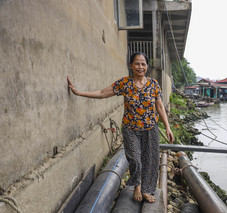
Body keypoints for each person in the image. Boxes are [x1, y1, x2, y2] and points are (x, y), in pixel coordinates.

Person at [67, 52, 174, 203]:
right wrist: (79, 93)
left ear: (147, 66)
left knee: (151, 161)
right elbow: (102, 93)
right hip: (131, 129)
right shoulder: (124, 84)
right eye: (137, 63)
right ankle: (137, 186)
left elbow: (160, 108)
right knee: (136, 160)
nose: (140, 67)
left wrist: (168, 128)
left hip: (151, 129)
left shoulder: (153, 84)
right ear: (131, 65)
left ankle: (146, 190)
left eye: (143, 64)